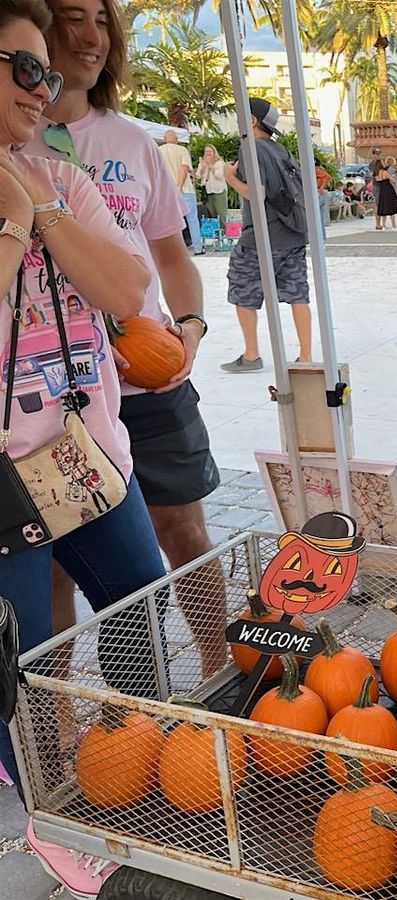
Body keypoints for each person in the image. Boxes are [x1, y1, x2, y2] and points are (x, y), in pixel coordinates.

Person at [0, 2, 162, 893]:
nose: (44, 88)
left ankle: (135, 774)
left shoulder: (61, 173)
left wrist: (44, 209)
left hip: (91, 453)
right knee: (13, 673)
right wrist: (14, 225)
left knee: (141, 609)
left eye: (46, 74)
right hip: (6, 482)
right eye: (24, 68)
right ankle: (41, 830)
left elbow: (130, 287)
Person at [30, 0, 228, 693]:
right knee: (55, 559)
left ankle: (215, 670)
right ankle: (58, 711)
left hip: (149, 376)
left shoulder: (133, 142)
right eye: (72, 17)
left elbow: (170, 259)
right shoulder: (17, 149)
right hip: (51, 400)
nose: (89, 36)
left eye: (102, 21)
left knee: (183, 530)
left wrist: (192, 328)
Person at [221, 97, 312, 371]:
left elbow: (256, 194)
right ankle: (305, 356)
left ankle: (251, 355)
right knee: (298, 294)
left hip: (262, 238)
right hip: (293, 234)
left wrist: (230, 178)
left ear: (251, 121)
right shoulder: (280, 149)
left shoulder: (250, 149)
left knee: (242, 288)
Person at [157, 127, 204, 256]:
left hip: (167, 192)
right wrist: (180, 185)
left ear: (164, 139)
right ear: (177, 140)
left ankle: (174, 250)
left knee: (171, 221)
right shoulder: (182, 150)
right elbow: (184, 168)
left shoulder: (158, 151)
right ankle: (198, 248)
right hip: (185, 190)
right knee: (192, 219)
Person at [195, 143, 227, 221]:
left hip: (219, 190)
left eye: (210, 151)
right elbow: (198, 176)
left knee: (221, 213)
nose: (208, 153)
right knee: (211, 213)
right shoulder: (202, 163)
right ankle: (214, 231)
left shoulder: (220, 163)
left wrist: (210, 166)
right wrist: (202, 167)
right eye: (206, 152)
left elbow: (220, 176)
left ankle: (225, 231)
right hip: (208, 192)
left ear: (214, 152)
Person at [371, 158, 397, 230]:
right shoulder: (385, 172)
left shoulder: (375, 174)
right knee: (391, 207)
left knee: (384, 207)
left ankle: (384, 225)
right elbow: (394, 181)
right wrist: (394, 176)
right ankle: (394, 225)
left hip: (382, 191)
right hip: (388, 190)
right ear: (381, 164)